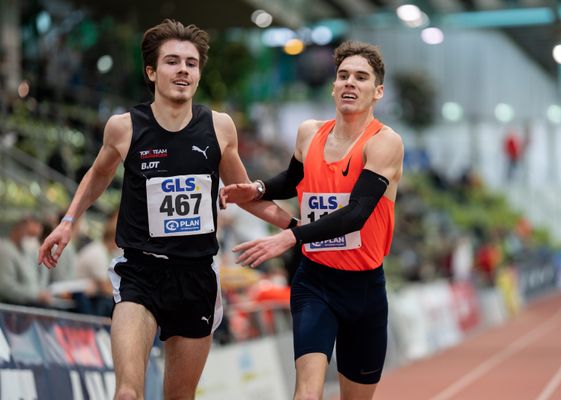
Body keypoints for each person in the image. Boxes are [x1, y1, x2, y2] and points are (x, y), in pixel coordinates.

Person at [38, 19, 294, 400]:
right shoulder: (124, 128)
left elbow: (244, 194)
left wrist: (300, 230)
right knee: (127, 393)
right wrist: (68, 222)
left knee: (179, 396)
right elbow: (97, 175)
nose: (183, 70)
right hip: (140, 272)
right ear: (152, 71)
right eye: (172, 62)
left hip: (196, 276)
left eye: (191, 63)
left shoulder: (220, 128)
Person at [220, 41, 404, 400]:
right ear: (333, 86)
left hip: (364, 289)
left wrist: (291, 236)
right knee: (307, 392)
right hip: (315, 282)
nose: (350, 83)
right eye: (343, 76)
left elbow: (355, 214)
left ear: (377, 91)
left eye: (361, 78)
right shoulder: (309, 133)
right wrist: (256, 188)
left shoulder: (384, 143)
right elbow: (291, 181)